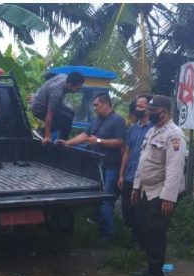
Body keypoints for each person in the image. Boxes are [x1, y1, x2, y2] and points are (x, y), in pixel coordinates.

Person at [130, 95, 186, 276]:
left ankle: (156, 275)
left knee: (156, 233)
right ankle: (150, 269)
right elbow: (142, 162)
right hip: (147, 190)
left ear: (165, 112)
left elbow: (174, 169)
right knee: (146, 231)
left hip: (161, 193)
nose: (150, 114)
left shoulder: (174, 134)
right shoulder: (152, 131)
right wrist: (137, 186)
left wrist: (169, 198)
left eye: (153, 112)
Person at [57, 92, 126, 241]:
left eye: (96, 105)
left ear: (106, 104)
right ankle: (101, 228)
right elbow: (84, 136)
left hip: (110, 166)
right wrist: (67, 143)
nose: (94, 108)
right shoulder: (96, 121)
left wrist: (99, 141)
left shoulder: (118, 120)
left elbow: (120, 142)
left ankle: (110, 233)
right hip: (95, 166)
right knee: (96, 199)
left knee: (105, 199)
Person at [119, 94, 153, 248]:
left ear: (148, 109)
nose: (137, 109)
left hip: (144, 178)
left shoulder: (154, 129)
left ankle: (141, 241)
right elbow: (127, 152)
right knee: (127, 209)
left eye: (140, 106)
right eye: (136, 106)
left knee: (140, 211)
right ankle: (134, 236)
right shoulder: (133, 129)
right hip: (129, 175)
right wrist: (121, 174)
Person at [31, 71, 85, 144]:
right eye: (77, 88)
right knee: (67, 118)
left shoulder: (64, 76)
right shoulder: (56, 94)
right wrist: (47, 136)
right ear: (71, 85)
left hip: (47, 102)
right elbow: (49, 115)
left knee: (71, 113)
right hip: (39, 108)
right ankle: (45, 134)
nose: (78, 89)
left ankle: (62, 140)